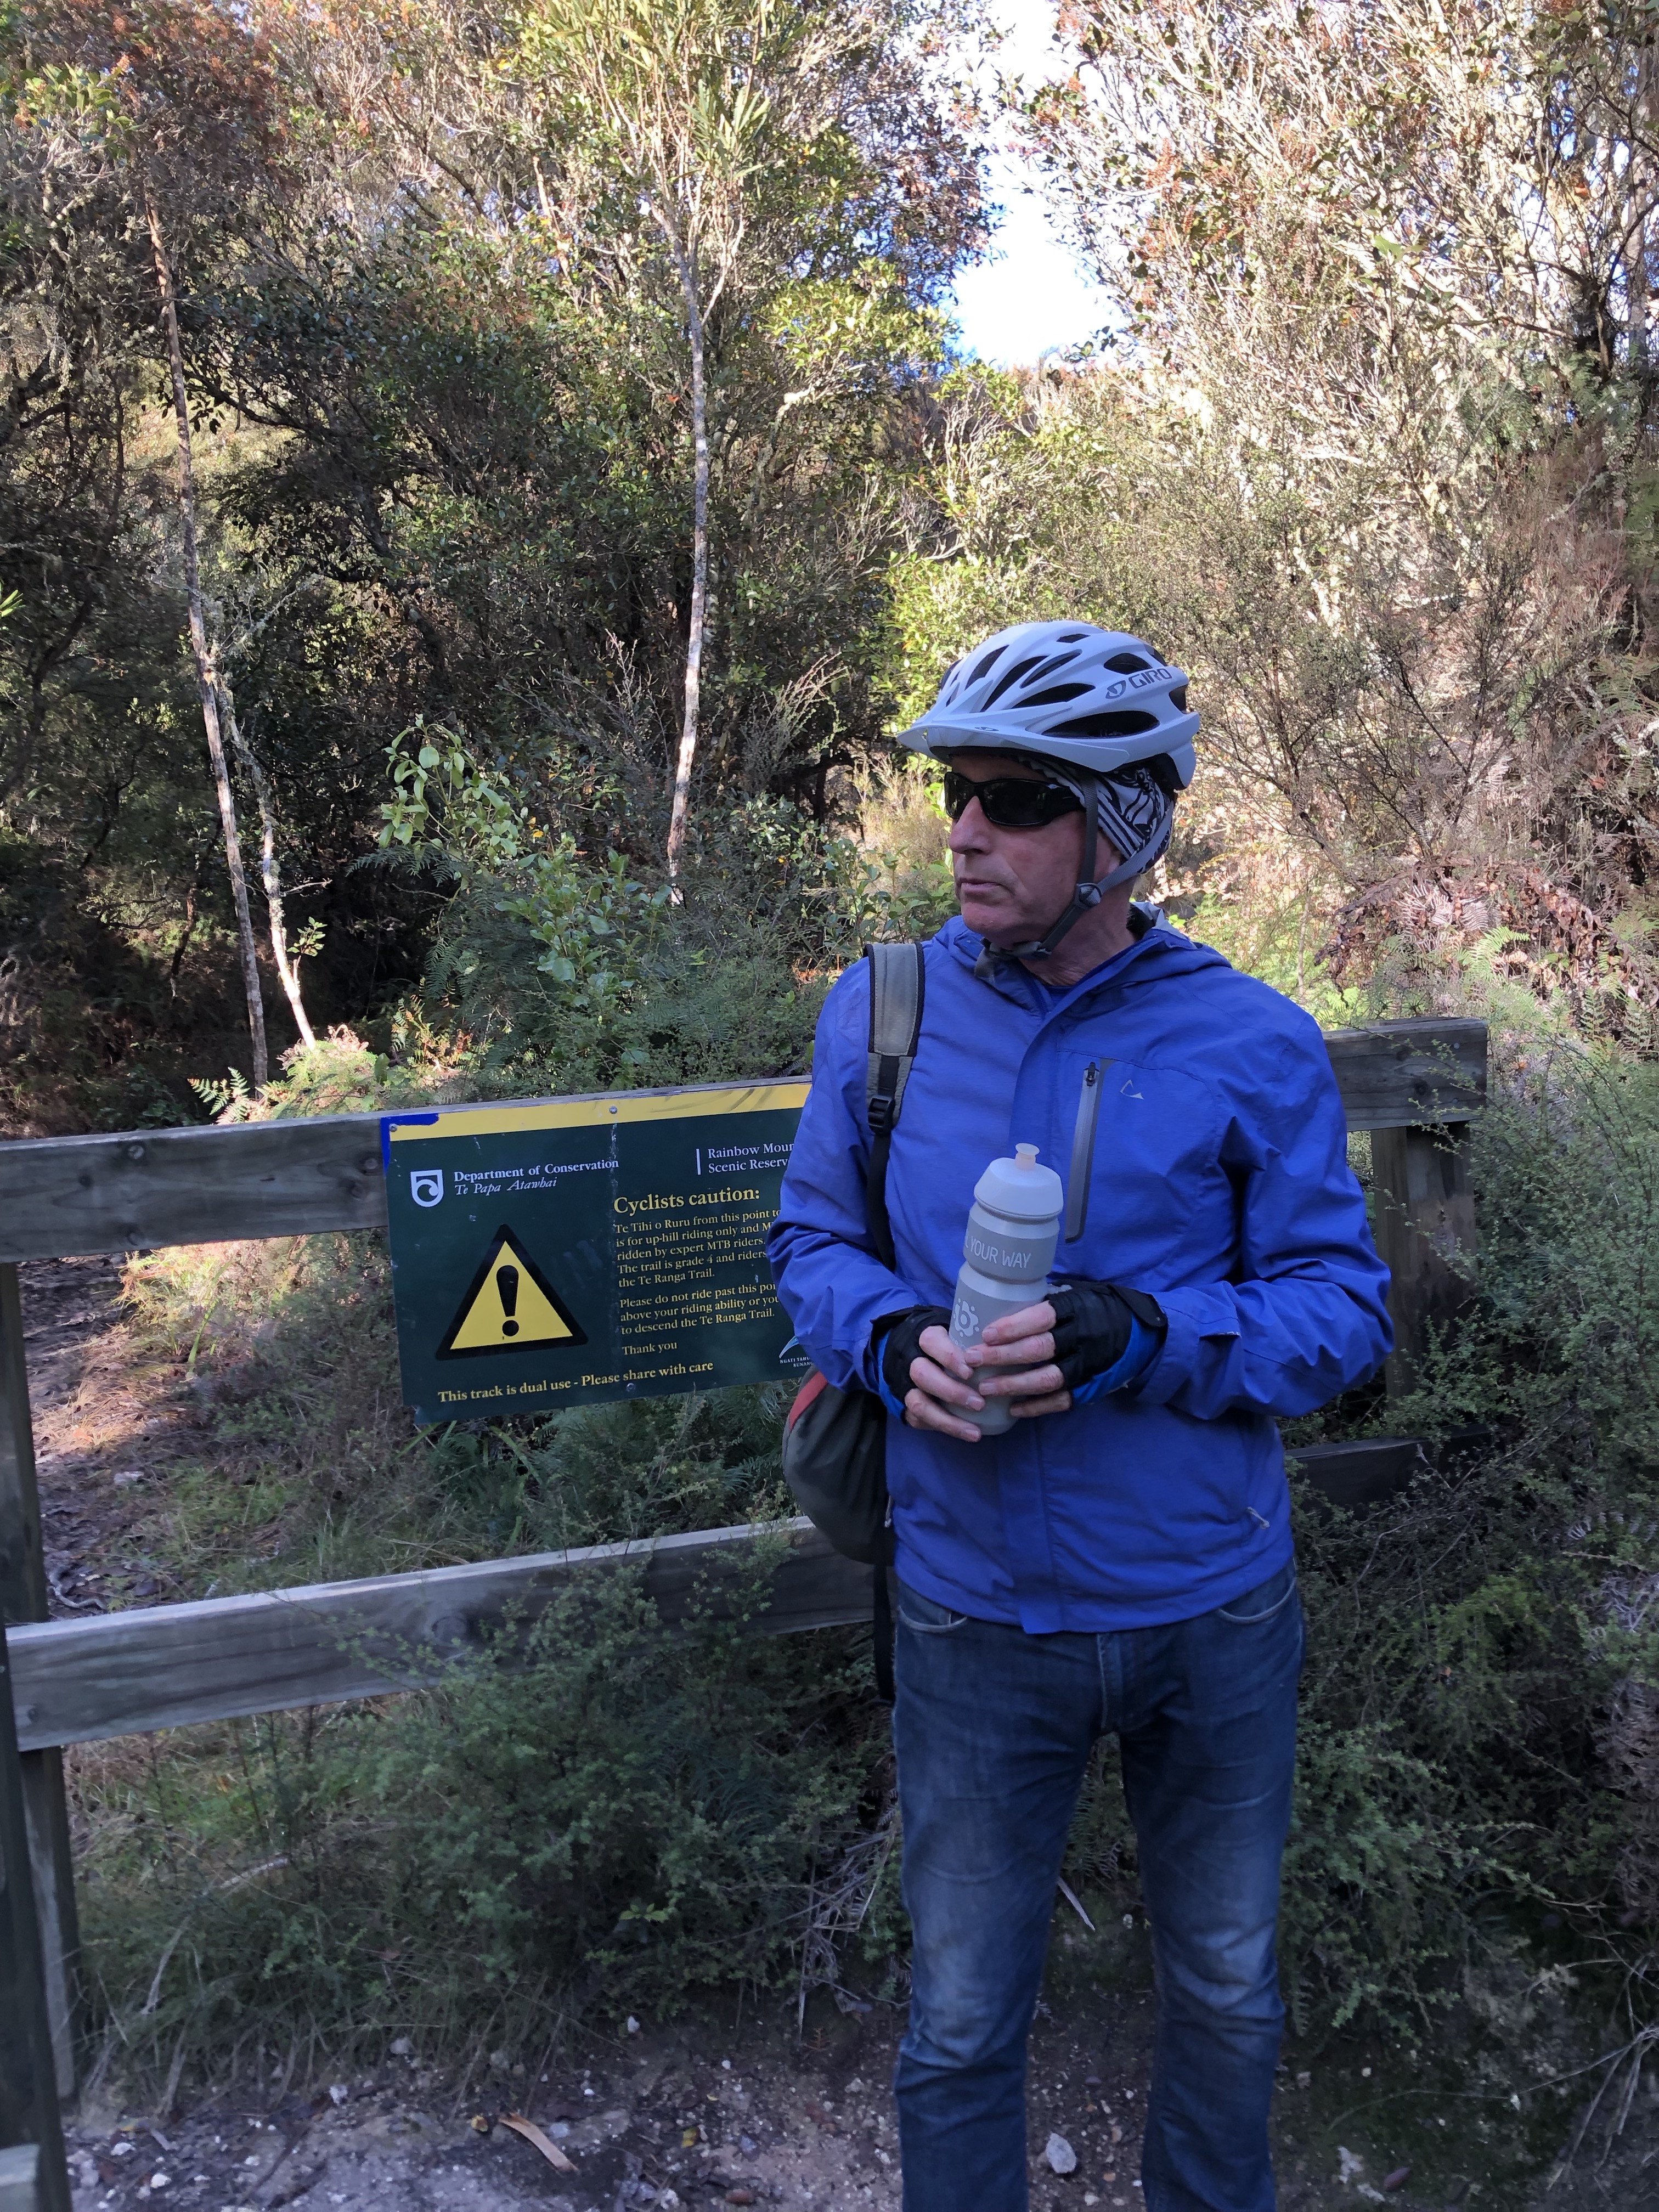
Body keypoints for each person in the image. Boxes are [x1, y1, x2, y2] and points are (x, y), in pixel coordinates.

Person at [765, 621, 1393, 2212]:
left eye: (1015, 799)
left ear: (1122, 827)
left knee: (1229, 1992)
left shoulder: (1251, 1040)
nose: (965, 831)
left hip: (1211, 1611)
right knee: (962, 2020)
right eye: (956, 796)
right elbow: (810, 1243)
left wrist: (1152, 1334)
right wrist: (886, 1333)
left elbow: (1342, 1310)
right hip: (973, 1609)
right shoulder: (887, 1011)